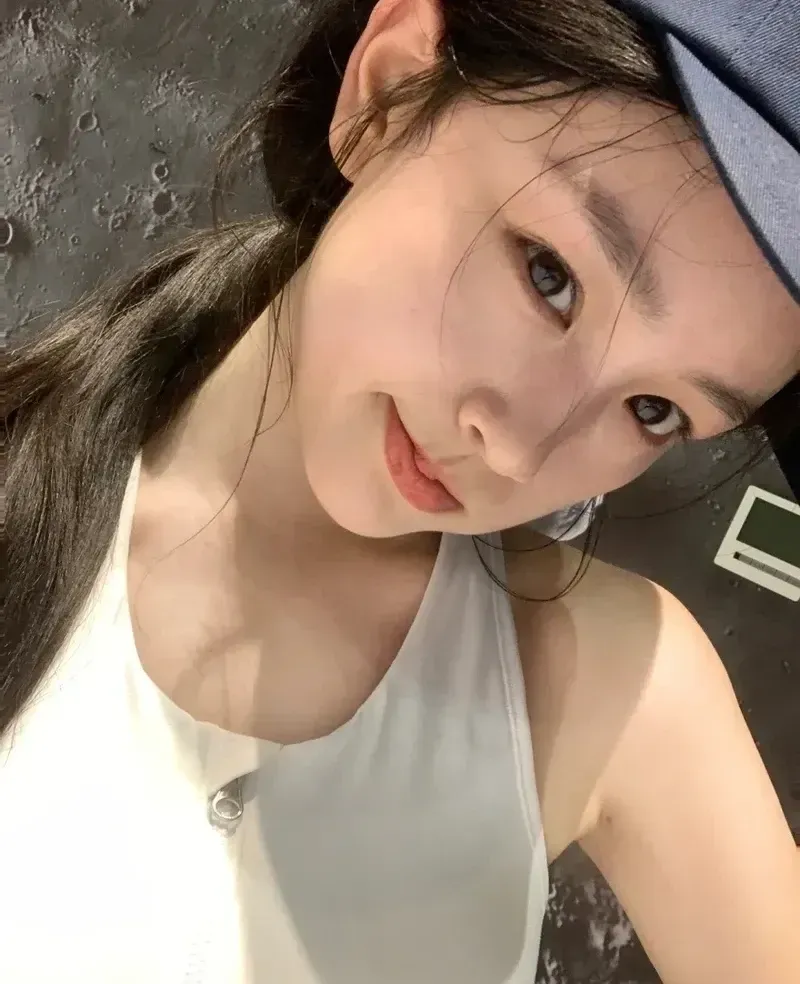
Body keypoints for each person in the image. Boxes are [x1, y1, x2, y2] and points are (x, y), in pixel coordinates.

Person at [3, 0, 799, 982]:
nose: (517, 452)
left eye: (652, 409)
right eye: (548, 275)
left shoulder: (611, 688)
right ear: (387, 92)